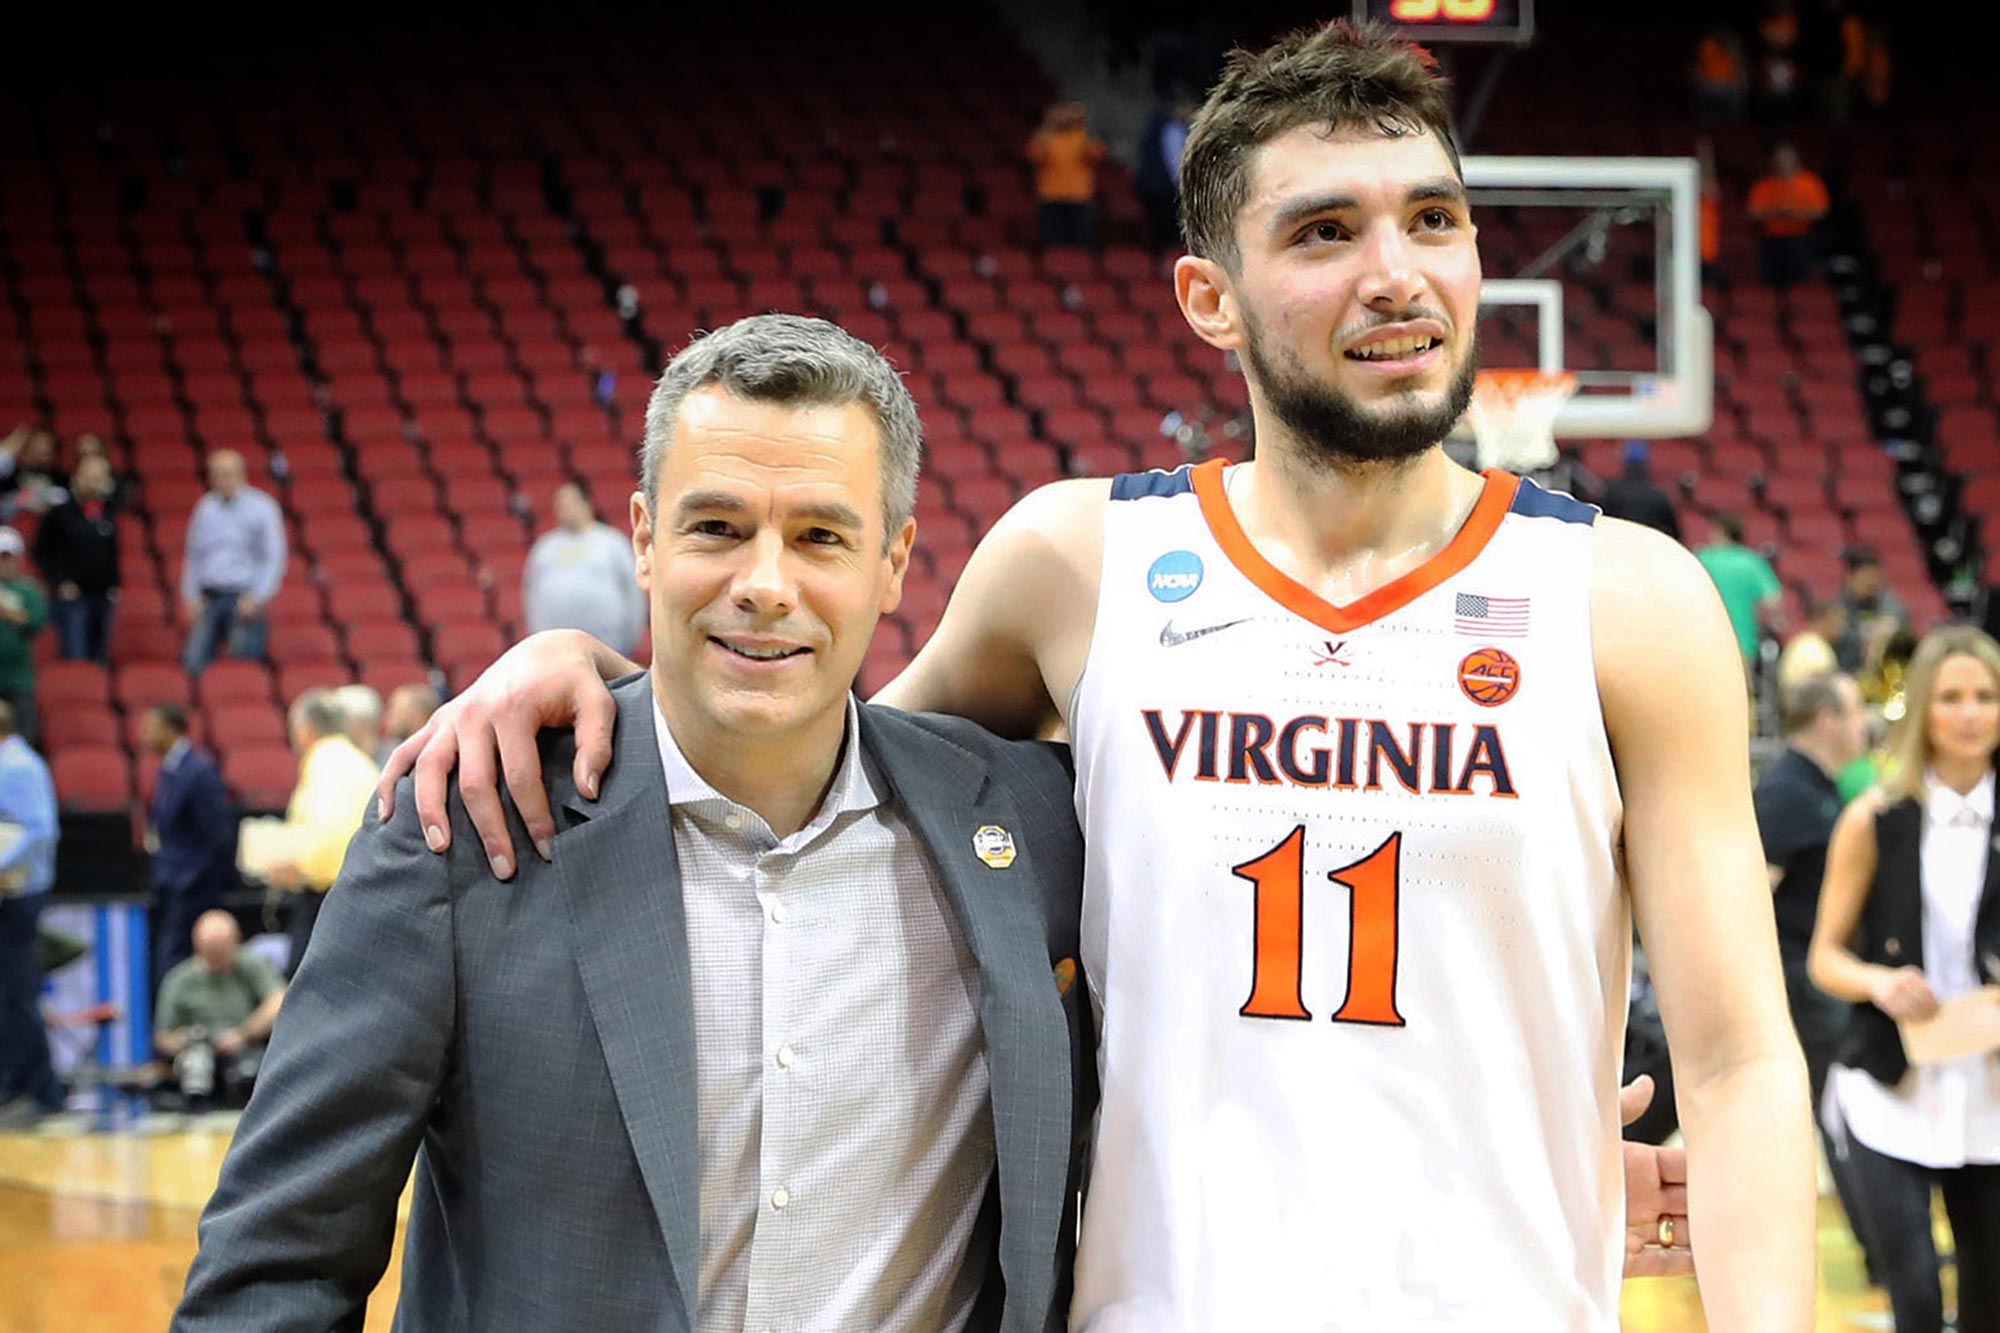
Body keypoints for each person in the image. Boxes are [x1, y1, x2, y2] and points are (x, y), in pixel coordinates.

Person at [386, 23, 1805, 1328]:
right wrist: (600, 674)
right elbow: (823, 793)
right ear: (1211, 298)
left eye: (1433, 219)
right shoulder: (1085, 561)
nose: (1397, 271)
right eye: (1326, 231)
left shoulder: (1627, 599)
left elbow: (1739, 1061)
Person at [175, 315, 1093, 1332]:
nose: (764, 584)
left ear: (894, 562)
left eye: (820, 536)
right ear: (645, 540)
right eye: (716, 528)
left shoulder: (1035, 827)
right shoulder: (461, 827)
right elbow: (274, 1272)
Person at [1809, 626, 2000, 1333]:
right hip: (1891, 1087)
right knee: (1915, 1294)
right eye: (1952, 696)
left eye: (1986, 695)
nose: (1971, 712)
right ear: (1922, 707)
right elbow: (1824, 956)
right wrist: (1880, 981)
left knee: (1989, 1302)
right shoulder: (1874, 818)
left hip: (1990, 1092)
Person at [1753, 671, 1879, 1264]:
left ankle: (1882, 1252)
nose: (1865, 725)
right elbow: (1752, 892)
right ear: (1826, 720)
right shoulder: (1787, 792)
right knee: (1843, 1110)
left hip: (1809, 977)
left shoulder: (1819, 787)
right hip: (1796, 979)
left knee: (1838, 1114)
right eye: (1855, 711)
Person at [259, 689, 379, 974]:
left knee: (306, 989)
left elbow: (331, 832)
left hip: (330, 895)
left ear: (305, 730)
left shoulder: (324, 763)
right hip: (366, 889)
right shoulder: (358, 761)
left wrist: (298, 868)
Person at [143, 704, 240, 988]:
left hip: (193, 884)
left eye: (151, 727)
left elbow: (218, 831)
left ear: (171, 730)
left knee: (174, 959)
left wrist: (204, 877)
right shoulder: (170, 769)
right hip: (172, 883)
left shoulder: (198, 770)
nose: (144, 735)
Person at [153, 910, 284, 1111]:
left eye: (222, 951)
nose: (217, 960)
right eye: (210, 952)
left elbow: (278, 1001)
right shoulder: (178, 981)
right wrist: (187, 1040)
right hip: (198, 1056)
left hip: (246, 1051)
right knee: (195, 1067)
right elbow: (163, 1037)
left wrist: (243, 1034)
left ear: (236, 942)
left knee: (255, 1072)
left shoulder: (251, 965)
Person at [0, 699, 60, 1125]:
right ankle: (20, 1082)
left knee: (18, 993)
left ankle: (40, 1088)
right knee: (10, 994)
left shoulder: (16, 766)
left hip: (19, 894)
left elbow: (39, 828)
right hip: (15, 891)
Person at [180, 449, 287, 676]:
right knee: (194, 662)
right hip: (210, 596)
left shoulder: (262, 507)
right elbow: (194, 557)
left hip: (244, 597)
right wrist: (191, 596)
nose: (222, 480)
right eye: (217, 474)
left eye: (227, 474)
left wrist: (258, 596)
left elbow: (273, 558)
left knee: (243, 666)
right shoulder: (205, 508)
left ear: (241, 475)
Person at [523, 481, 646, 653]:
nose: (564, 510)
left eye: (570, 503)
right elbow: (531, 592)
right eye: (560, 505)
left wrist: (632, 634)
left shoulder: (612, 543)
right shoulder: (545, 547)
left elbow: (633, 590)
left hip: (609, 647)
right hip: (554, 652)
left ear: (586, 503)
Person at [31, 450, 121, 663]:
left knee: (99, 658)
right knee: (76, 656)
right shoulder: (59, 513)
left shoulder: (106, 513)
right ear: (77, 478)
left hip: (103, 595)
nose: (95, 483)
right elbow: (41, 551)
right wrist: (59, 581)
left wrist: (115, 583)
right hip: (74, 597)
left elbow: (112, 553)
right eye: (91, 477)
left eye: (100, 478)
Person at [1695, 511, 1783, 672]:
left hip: (1703, 642)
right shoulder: (1751, 561)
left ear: (1719, 531)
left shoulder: (1702, 558)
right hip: (1742, 643)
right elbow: (1772, 601)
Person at [1748, 142, 1830, 289]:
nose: (1783, 163)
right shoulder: (1764, 184)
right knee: (1772, 283)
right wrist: (1778, 211)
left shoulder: (1810, 182)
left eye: (1787, 158)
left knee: (1801, 282)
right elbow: (1754, 212)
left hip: (1801, 239)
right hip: (1772, 240)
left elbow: (1820, 211)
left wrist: (1795, 212)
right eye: (1779, 159)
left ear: (1796, 159)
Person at [1027, 101, 1107, 250]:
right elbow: (1034, 156)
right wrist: (1047, 128)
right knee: (1054, 244)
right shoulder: (1046, 137)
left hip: (1078, 197)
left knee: (1082, 243)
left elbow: (1097, 154)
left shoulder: (1082, 135)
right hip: (1051, 197)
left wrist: (1086, 127)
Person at [0, 528, 49, 747]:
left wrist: (8, 611)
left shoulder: (28, 590)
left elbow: (36, 624)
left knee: (22, 741)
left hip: (17, 681)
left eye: (7, 557)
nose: (3, 563)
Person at [1834, 542, 1908, 674]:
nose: (1871, 582)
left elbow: (1894, 624)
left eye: (1875, 576)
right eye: (1865, 576)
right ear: (1850, 577)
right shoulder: (1837, 607)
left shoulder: (1887, 600)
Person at [1136, 97, 1194, 251]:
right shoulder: (1172, 129)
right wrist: (1184, 189)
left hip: (1156, 188)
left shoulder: (1157, 126)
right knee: (1166, 235)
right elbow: (1175, 163)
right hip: (1163, 190)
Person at [1596, 439, 1681, 541]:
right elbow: (1675, 532)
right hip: (1648, 547)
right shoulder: (1657, 494)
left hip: (1619, 545)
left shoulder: (1611, 492)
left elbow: (1599, 523)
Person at [1778, 595, 1845, 694]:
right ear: (1821, 619)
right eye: (1836, 619)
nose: (1841, 625)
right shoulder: (1813, 650)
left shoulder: (1804, 642)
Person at [379, 681, 441, 766]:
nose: (388, 716)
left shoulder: (438, 757)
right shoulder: (384, 752)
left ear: (418, 716)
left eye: (394, 709)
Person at [331, 683, 383, 760]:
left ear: (361, 721)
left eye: (342, 718)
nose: (336, 724)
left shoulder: (395, 757)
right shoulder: (337, 756)